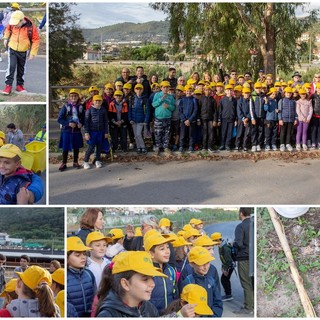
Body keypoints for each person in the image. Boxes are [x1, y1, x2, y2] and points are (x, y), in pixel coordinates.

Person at [95, 251, 195, 317]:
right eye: (145, 279)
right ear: (125, 284)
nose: (152, 284)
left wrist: (180, 315)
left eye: (152, 278)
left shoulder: (147, 307)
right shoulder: (109, 315)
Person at [2, 10, 40, 94]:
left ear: (22, 20)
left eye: (16, 23)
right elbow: (7, 30)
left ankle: (19, 85)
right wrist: (5, 38)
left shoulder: (31, 27)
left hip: (24, 51)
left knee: (21, 69)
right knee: (11, 67)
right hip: (12, 48)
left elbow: (36, 40)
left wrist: (32, 53)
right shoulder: (12, 24)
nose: (14, 25)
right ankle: (8, 85)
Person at [180, 246, 223, 317]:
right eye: (201, 264)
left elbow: (218, 301)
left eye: (208, 263)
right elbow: (185, 304)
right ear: (192, 264)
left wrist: (214, 316)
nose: (205, 267)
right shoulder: (188, 281)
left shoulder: (210, 280)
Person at [144, 230, 178, 313]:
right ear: (151, 254)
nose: (167, 252)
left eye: (168, 247)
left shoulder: (171, 271)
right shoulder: (146, 273)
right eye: (162, 249)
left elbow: (175, 295)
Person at [67, 236, 95, 317]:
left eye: (84, 254)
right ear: (67, 258)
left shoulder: (89, 274)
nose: (83, 257)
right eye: (77, 255)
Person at [57, 88, 85, 171]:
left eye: (75, 96)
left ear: (78, 97)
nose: (73, 97)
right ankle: (64, 162)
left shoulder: (80, 107)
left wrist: (81, 124)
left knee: (76, 146)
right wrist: (68, 123)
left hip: (76, 130)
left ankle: (75, 161)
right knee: (65, 147)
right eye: (72, 96)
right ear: (69, 97)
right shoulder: (65, 107)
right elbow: (60, 119)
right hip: (67, 130)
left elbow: (83, 118)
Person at [233, 207, 254, 315]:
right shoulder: (254, 223)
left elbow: (239, 243)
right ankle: (254, 304)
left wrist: (234, 244)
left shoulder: (240, 226)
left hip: (244, 258)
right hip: (254, 257)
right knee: (253, 282)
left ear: (241, 213)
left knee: (246, 283)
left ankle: (248, 307)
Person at [83, 95, 109, 169]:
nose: (98, 102)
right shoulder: (89, 110)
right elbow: (86, 122)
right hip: (92, 132)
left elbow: (105, 122)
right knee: (91, 147)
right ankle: (85, 161)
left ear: (101, 102)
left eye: (99, 101)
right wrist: (86, 133)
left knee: (99, 147)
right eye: (96, 101)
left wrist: (106, 132)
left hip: (101, 132)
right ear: (93, 102)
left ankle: (97, 160)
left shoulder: (103, 110)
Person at [152, 80, 175, 155]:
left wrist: (168, 106)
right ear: (161, 88)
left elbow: (173, 108)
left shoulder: (171, 97)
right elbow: (153, 105)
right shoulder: (157, 95)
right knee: (158, 133)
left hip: (167, 118)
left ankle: (165, 147)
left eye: (167, 87)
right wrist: (160, 99)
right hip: (158, 118)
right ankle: (158, 147)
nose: (165, 89)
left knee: (167, 133)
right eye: (164, 87)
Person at [212, 232, 235, 302]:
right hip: (226, 265)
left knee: (224, 279)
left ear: (218, 240)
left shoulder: (225, 247)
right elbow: (223, 258)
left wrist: (226, 269)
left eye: (214, 241)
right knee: (224, 279)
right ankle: (228, 293)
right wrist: (223, 266)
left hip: (229, 266)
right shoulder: (221, 246)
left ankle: (229, 294)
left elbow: (228, 260)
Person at [129, 84, 151, 154]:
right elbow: (129, 110)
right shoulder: (132, 99)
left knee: (138, 134)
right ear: (135, 90)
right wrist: (130, 119)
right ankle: (139, 147)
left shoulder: (145, 99)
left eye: (140, 89)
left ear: (142, 90)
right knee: (136, 135)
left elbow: (147, 111)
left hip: (141, 120)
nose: (138, 90)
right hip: (133, 121)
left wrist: (146, 120)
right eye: (137, 89)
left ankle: (143, 147)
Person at [178, 85, 198, 153]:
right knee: (182, 134)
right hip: (184, 121)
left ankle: (191, 146)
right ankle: (181, 146)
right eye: (187, 91)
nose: (188, 92)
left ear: (191, 92)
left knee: (191, 134)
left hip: (191, 121)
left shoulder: (194, 99)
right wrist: (184, 120)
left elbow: (195, 110)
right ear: (185, 92)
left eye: (190, 91)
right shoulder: (182, 100)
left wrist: (189, 120)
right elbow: (180, 110)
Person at [218, 84, 237, 151]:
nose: (229, 91)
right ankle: (222, 144)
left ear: (232, 91)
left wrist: (236, 119)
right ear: (225, 91)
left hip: (231, 119)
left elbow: (236, 110)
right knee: (223, 132)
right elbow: (220, 110)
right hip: (224, 118)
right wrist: (219, 119)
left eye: (230, 90)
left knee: (229, 132)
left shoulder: (234, 100)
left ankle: (227, 145)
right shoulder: (222, 100)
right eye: (228, 90)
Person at [198, 85, 217, 152]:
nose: (207, 91)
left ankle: (210, 146)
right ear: (204, 91)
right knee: (204, 133)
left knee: (211, 133)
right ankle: (204, 146)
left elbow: (215, 111)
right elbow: (198, 110)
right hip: (203, 118)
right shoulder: (201, 99)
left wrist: (215, 120)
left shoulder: (213, 100)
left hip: (210, 119)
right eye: (206, 90)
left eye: (209, 90)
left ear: (211, 91)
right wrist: (198, 119)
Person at [278, 87, 297, 152]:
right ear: (284, 93)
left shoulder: (293, 101)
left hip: (291, 119)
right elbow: (279, 111)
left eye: (290, 93)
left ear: (291, 94)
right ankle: (282, 144)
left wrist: (295, 119)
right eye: (287, 93)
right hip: (284, 119)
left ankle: (288, 144)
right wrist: (280, 119)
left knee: (289, 132)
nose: (288, 94)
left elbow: (295, 110)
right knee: (283, 132)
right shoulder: (281, 101)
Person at [235, 87, 252, 152]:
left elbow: (251, 111)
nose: (247, 94)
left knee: (246, 133)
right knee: (239, 133)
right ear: (242, 93)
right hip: (241, 119)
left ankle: (245, 145)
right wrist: (243, 119)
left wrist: (247, 118)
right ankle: (237, 145)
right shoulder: (240, 101)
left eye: (248, 93)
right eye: (245, 93)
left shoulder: (250, 101)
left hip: (247, 119)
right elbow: (239, 111)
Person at [251, 82, 266, 152]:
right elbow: (251, 108)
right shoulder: (252, 96)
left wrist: (266, 102)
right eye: (257, 88)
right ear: (254, 88)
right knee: (254, 131)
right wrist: (252, 117)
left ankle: (259, 144)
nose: (258, 89)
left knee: (260, 131)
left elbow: (265, 108)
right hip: (255, 117)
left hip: (261, 116)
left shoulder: (263, 96)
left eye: (259, 88)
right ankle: (254, 144)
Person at [310, 83, 320, 149]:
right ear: (316, 89)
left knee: (319, 130)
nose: (319, 90)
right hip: (314, 115)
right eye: (318, 88)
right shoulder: (313, 96)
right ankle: (313, 142)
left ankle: (319, 142)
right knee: (314, 129)